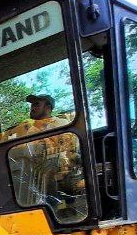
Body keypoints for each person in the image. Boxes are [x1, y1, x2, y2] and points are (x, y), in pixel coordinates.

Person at [8, 94, 87, 222]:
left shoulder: (62, 124)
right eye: (32, 105)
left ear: (48, 107)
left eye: (36, 104)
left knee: (61, 201)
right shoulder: (30, 131)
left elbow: (70, 152)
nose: (32, 108)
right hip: (38, 176)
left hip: (63, 173)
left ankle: (65, 211)